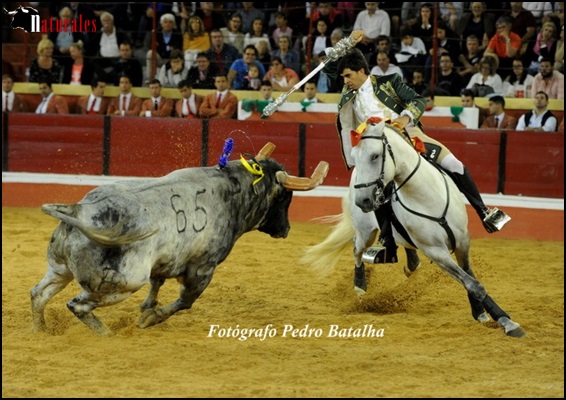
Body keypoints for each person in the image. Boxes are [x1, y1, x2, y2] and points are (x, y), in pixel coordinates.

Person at [325, 31, 511, 264]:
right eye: (343, 76)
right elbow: (328, 67)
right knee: (376, 189)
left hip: (407, 135)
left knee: (453, 164)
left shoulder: (388, 81)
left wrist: (404, 119)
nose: (345, 80)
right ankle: (387, 243)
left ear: (362, 71)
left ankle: (484, 211)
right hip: (377, 147)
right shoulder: (348, 94)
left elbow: (418, 101)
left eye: (348, 75)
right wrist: (347, 44)